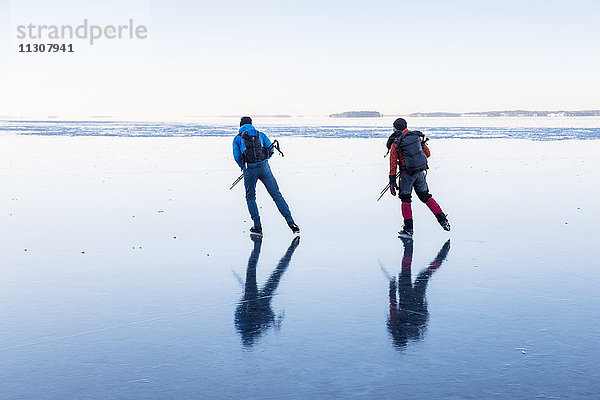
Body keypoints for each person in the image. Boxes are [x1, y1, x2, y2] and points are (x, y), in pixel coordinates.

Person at [233, 116, 300, 236]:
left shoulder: (237, 139)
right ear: (251, 124)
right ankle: (291, 222)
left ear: (240, 125)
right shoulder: (260, 134)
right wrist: (263, 160)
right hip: (264, 168)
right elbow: (271, 150)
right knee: (276, 194)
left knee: (250, 197)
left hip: (249, 170)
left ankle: (257, 226)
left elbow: (237, 157)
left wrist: (244, 168)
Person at [388, 118, 450, 238]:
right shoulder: (416, 137)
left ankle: (408, 229)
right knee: (426, 196)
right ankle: (443, 220)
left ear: (395, 128)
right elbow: (427, 154)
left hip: (406, 175)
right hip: (420, 172)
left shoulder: (396, 142)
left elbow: (393, 163)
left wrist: (392, 180)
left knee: (405, 199)